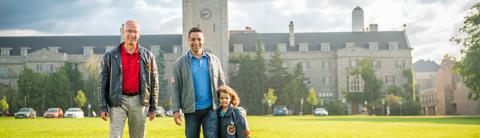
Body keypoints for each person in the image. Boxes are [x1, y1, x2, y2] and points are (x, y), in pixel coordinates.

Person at [99, 20, 159, 138]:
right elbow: (102, 83)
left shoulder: (148, 56)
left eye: (135, 32)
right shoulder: (110, 56)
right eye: (129, 31)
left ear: (139, 34)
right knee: (114, 136)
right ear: (122, 32)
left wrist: (153, 107)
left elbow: (154, 83)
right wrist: (102, 107)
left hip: (140, 101)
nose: (132, 35)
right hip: (117, 101)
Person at [172, 27, 226, 138]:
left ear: (203, 40)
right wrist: (176, 110)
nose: (196, 42)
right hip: (191, 111)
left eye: (199, 39)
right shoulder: (179, 64)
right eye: (193, 39)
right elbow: (175, 88)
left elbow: (221, 84)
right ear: (188, 41)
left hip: (211, 109)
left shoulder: (214, 60)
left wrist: (226, 103)